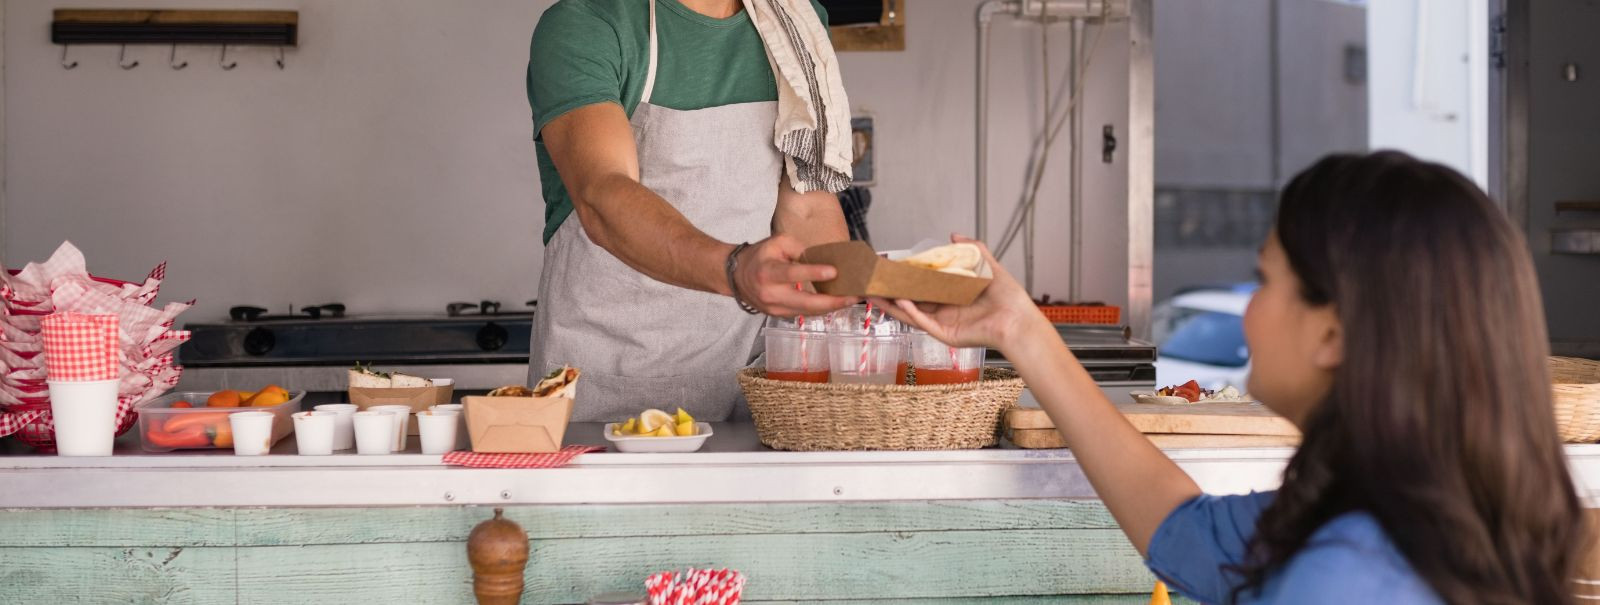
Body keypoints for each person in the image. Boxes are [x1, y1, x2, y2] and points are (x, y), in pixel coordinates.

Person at [877, 151, 1586, 604]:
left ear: (1333, 331)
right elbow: (1185, 532)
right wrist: (1019, 328)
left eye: (1264, 278)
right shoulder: (1420, 509)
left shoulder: (1341, 576)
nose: (1249, 306)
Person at [525, 0, 858, 421]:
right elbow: (603, 195)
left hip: (750, 380)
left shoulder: (797, 22)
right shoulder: (589, 22)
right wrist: (736, 271)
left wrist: (853, 309)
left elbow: (806, 204)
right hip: (605, 381)